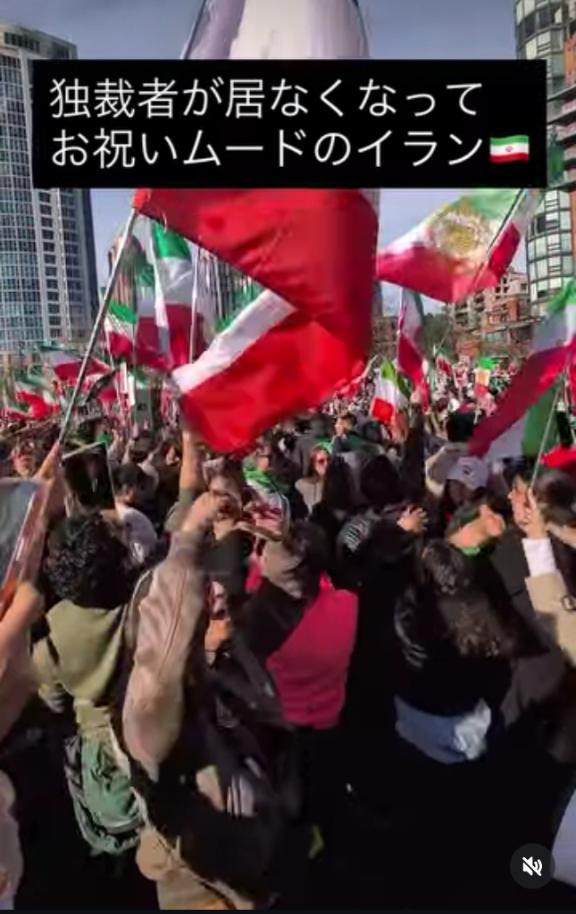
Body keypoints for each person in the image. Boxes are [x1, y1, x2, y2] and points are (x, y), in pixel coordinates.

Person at [122, 493, 302, 910]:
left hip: (269, 849)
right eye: (201, 595)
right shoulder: (149, 721)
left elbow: (285, 602)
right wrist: (187, 537)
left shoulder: (234, 649)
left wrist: (277, 544)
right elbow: (160, 662)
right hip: (212, 892)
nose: (217, 593)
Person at [35, 513, 143, 857]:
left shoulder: (50, 632)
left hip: (104, 754)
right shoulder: (145, 598)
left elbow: (53, 702)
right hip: (157, 721)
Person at [112, 464, 158, 566]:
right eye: (141, 487)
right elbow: (142, 556)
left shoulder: (106, 513)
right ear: (127, 490)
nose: (144, 493)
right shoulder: (134, 517)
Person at [295, 445, 331, 515]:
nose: (326, 464)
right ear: (313, 464)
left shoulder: (338, 485)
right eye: (321, 461)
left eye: (328, 460)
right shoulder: (301, 485)